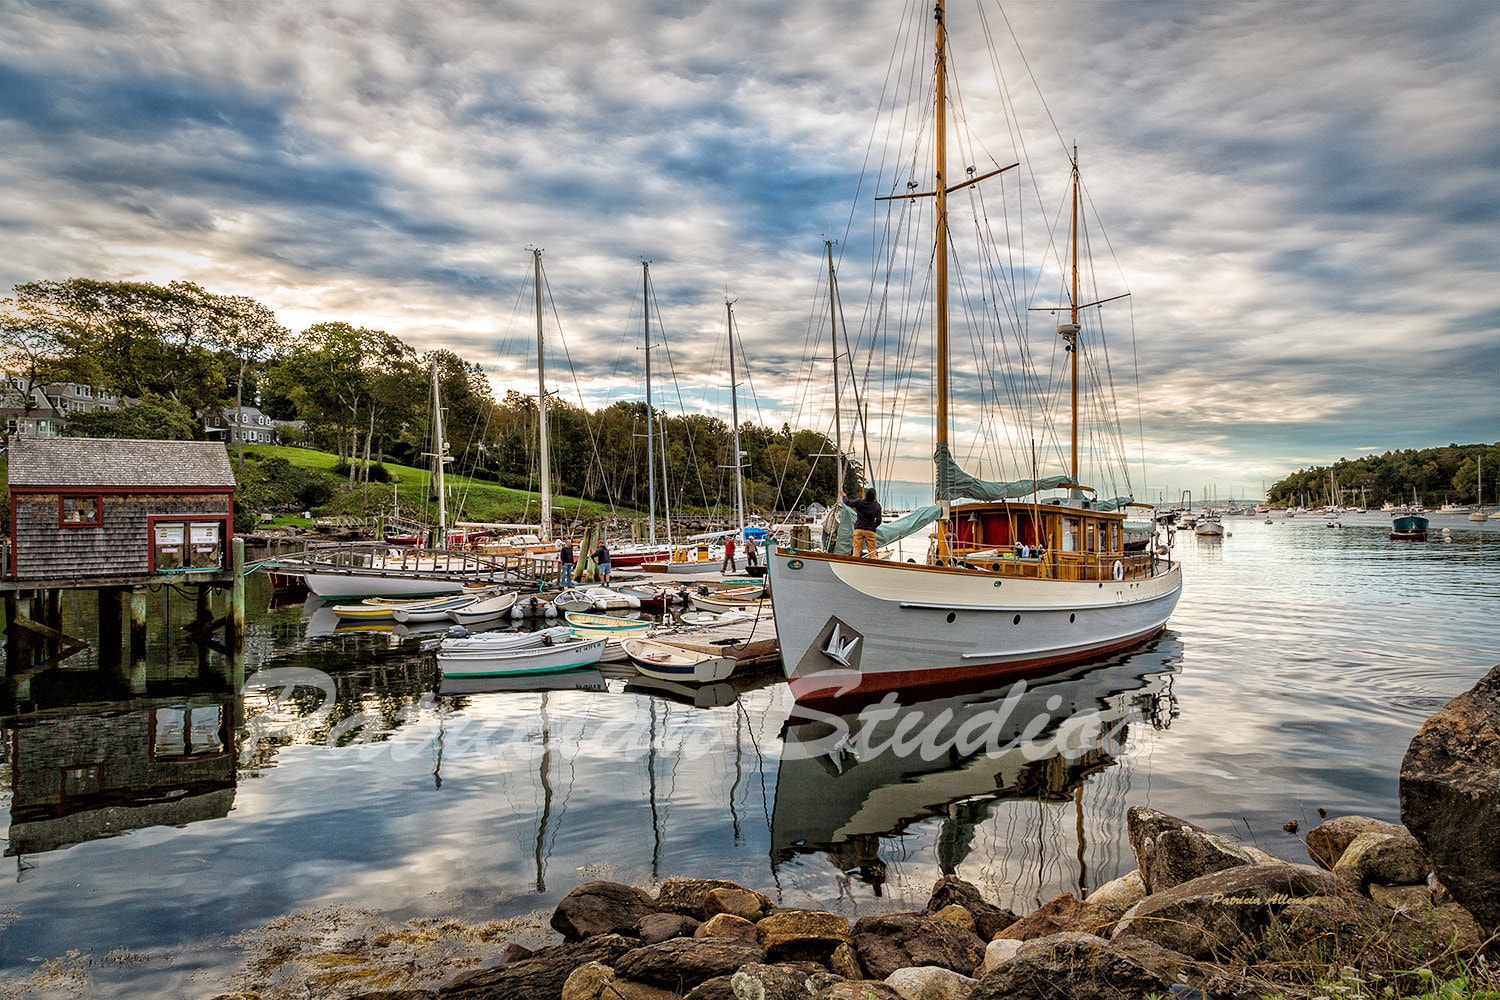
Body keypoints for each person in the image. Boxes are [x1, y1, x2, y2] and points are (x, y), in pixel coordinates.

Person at [842, 486, 882, 558]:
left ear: (866, 495)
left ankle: (854, 564)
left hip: (859, 528)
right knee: (872, 552)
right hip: (870, 530)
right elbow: (879, 520)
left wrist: (844, 496)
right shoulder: (877, 506)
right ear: (874, 496)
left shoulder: (859, 502)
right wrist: (873, 526)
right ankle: (872, 566)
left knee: (856, 550)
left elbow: (847, 502)